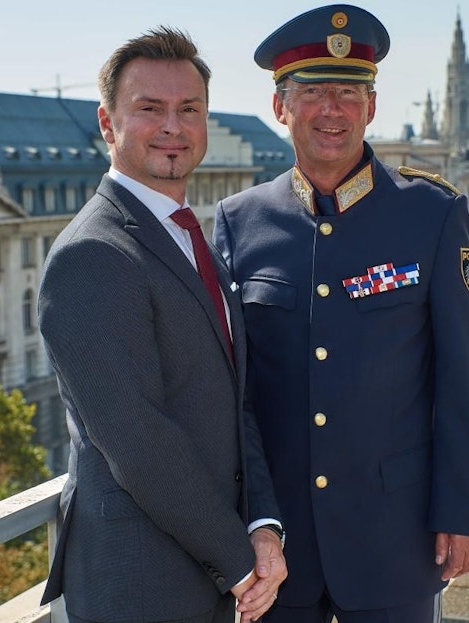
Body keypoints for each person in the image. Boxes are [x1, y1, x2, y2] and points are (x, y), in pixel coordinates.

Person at [213, 5, 469, 622]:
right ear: (281, 105)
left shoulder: (431, 214)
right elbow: (234, 391)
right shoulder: (239, 221)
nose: (332, 110)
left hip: (396, 537)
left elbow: (463, 377)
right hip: (276, 547)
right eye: (312, 92)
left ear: (372, 105)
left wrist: (465, 510)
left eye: (349, 92)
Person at [38, 26, 286, 623]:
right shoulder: (91, 254)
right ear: (107, 124)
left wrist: (264, 524)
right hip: (142, 584)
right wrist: (243, 559)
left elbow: (235, 401)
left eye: (189, 109)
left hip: (212, 573)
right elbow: (137, 439)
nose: (173, 126)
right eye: (150, 109)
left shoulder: (186, 236)